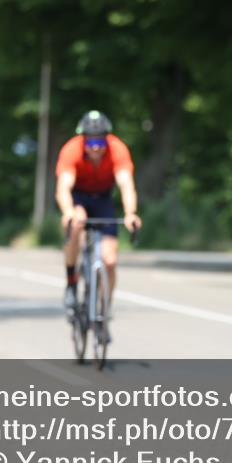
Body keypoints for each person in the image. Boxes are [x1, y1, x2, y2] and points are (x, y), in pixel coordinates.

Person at [55, 111, 142, 323]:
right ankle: (72, 283)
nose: (96, 146)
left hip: (103, 199)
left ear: (107, 138)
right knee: (76, 223)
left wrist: (130, 213)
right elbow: (63, 187)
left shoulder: (118, 149)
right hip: (79, 198)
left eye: (100, 140)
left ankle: (105, 306)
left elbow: (126, 185)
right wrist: (68, 211)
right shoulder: (71, 150)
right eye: (91, 140)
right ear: (84, 138)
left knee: (110, 261)